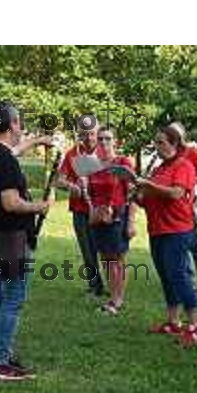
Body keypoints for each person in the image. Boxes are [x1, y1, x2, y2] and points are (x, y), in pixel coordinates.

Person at [0, 100, 53, 381]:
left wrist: (38, 140)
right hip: (10, 239)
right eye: (18, 122)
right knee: (13, 298)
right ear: (9, 125)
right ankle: (0, 362)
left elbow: (13, 151)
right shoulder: (3, 159)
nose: (21, 127)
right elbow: (10, 202)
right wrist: (39, 207)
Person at [135, 125, 197, 346]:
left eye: (162, 142)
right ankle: (174, 321)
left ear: (175, 144)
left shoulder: (183, 165)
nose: (157, 147)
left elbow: (176, 193)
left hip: (177, 230)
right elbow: (148, 201)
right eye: (156, 143)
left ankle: (195, 326)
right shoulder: (158, 168)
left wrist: (149, 185)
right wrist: (137, 194)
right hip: (157, 229)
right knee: (166, 276)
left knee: (179, 276)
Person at [87, 127, 138, 314]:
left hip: (118, 216)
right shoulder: (92, 165)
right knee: (105, 258)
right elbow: (89, 194)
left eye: (108, 139)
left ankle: (117, 300)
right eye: (100, 139)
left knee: (117, 258)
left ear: (115, 141)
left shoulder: (122, 163)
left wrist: (131, 221)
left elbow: (133, 193)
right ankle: (112, 296)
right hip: (98, 217)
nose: (103, 142)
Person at [57, 124, 105, 296]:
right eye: (85, 134)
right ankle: (95, 286)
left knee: (108, 249)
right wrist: (72, 186)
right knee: (87, 250)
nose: (89, 138)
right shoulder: (73, 153)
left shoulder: (105, 151)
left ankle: (115, 287)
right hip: (81, 210)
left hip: (103, 208)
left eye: (92, 133)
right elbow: (59, 180)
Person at [169, 122, 197, 294]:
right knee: (180, 244)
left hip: (191, 203)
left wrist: (187, 179)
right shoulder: (169, 153)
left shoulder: (192, 152)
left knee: (193, 243)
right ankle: (189, 279)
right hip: (174, 205)